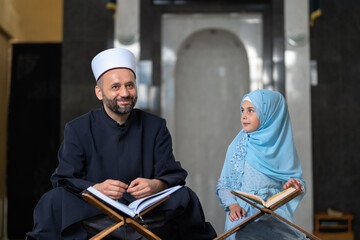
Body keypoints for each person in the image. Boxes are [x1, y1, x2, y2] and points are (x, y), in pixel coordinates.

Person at [26, 48, 216, 240]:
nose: (125, 93)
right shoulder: (77, 128)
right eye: (115, 87)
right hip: (95, 212)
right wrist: (97, 190)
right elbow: (64, 178)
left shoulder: (156, 126)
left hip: (145, 213)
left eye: (130, 85)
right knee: (51, 200)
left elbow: (172, 173)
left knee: (186, 196)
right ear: (99, 93)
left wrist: (155, 184)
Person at [216, 89, 307, 239]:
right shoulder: (237, 147)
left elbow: (298, 183)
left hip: (275, 218)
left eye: (251, 110)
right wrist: (233, 206)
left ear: (270, 115)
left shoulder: (282, 148)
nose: (244, 116)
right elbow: (224, 186)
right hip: (243, 218)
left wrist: (293, 187)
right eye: (242, 110)